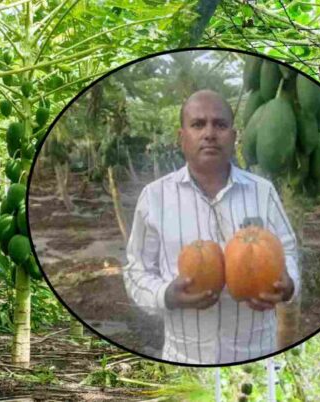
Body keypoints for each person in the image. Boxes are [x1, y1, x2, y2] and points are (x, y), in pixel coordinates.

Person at [122, 89, 300, 364]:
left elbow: (288, 251)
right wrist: (166, 295)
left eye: (220, 124)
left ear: (234, 135)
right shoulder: (154, 197)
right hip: (184, 359)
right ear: (181, 138)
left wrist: (288, 286)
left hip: (256, 359)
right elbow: (136, 270)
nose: (209, 133)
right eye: (197, 124)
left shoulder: (262, 192)